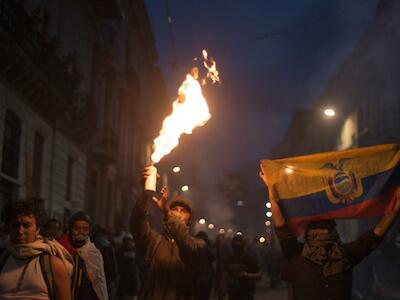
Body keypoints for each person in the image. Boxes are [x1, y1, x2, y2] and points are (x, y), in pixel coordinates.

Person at [259, 167, 400, 300]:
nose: (322, 234)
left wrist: (397, 203)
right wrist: (271, 189)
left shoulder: (343, 255)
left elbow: (376, 235)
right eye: (318, 231)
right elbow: (378, 234)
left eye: (325, 229)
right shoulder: (300, 254)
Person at [130, 166, 208, 300]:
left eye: (183, 211)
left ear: (190, 220)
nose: (178, 214)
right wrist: (146, 194)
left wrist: (167, 214)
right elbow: (137, 221)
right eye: (174, 209)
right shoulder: (153, 241)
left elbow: (187, 244)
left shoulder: (198, 245)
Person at [0, 200, 72, 300]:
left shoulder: (52, 265)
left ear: (37, 228)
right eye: (15, 225)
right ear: (8, 227)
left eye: (27, 225)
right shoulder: (2, 258)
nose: (20, 231)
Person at [58, 211, 108, 300]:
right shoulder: (58, 249)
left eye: (85, 229)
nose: (81, 232)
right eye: (77, 228)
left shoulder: (94, 255)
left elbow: (99, 285)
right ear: (70, 229)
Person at [219, 234, 261, 300]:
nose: (237, 246)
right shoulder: (230, 259)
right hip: (233, 292)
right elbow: (225, 275)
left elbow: (259, 275)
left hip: (247, 292)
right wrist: (222, 290)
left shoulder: (250, 259)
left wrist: (247, 275)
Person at [116, 234, 139, 300]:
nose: (128, 242)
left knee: (133, 296)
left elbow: (138, 264)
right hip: (124, 278)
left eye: (130, 240)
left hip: (133, 278)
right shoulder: (120, 251)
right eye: (127, 240)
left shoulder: (135, 251)